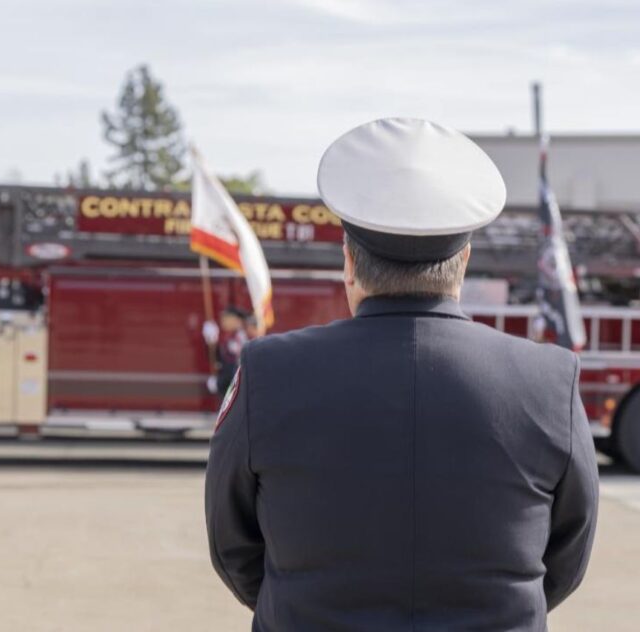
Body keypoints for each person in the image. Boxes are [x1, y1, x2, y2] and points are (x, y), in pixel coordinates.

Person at [205, 118, 599, 630]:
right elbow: (566, 559)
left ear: (348, 262)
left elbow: (232, 547)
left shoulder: (267, 373)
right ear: (464, 264)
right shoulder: (550, 381)